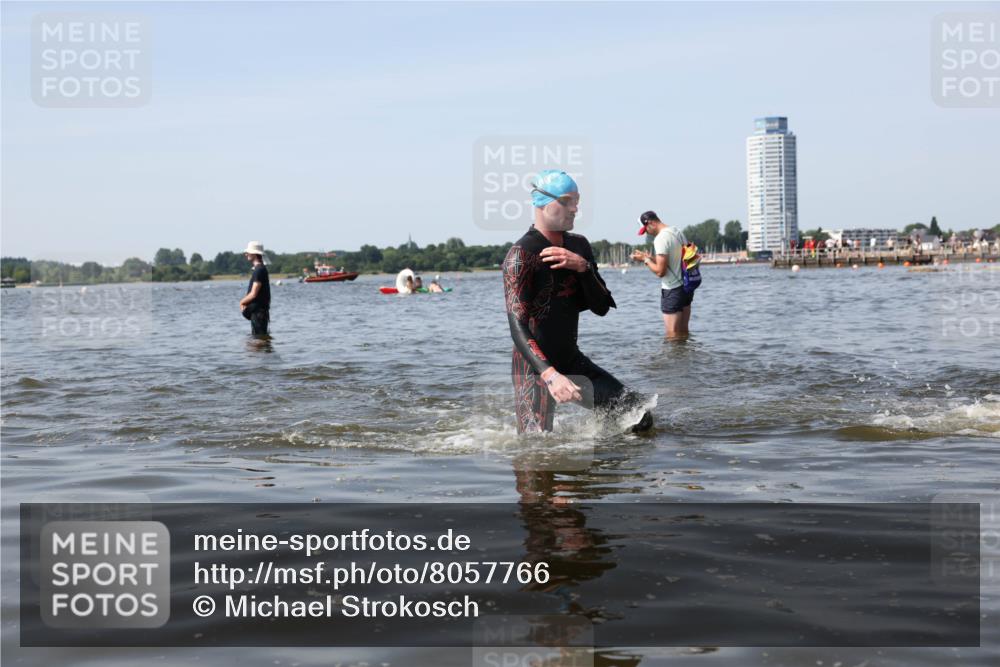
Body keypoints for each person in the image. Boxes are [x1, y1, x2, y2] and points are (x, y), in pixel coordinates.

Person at [502, 169, 652, 434]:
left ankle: (604, 467)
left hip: (571, 360)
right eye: (568, 201)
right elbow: (518, 327)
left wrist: (583, 269)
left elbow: (601, 307)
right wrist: (549, 375)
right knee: (536, 452)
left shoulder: (579, 246)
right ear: (543, 202)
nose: (575, 209)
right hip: (534, 370)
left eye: (577, 201)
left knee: (639, 417)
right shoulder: (521, 255)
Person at [631, 211, 692, 338]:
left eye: (646, 229)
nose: (647, 233)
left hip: (672, 290)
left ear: (651, 223)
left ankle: (673, 358)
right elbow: (674, 261)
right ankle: (686, 358)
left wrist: (645, 260)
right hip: (686, 288)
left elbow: (660, 271)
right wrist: (649, 257)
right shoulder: (677, 231)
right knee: (684, 332)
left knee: (672, 335)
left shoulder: (660, 239)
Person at [239, 241, 271, 336]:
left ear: (255, 254)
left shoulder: (259, 270)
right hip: (258, 312)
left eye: (248, 252)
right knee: (259, 340)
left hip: (259, 313)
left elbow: (254, 293)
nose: (246, 254)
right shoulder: (260, 269)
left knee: (259, 340)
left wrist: (241, 302)